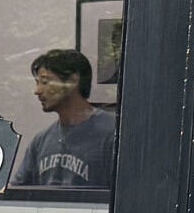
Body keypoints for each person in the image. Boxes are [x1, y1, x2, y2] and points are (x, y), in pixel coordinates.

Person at [12, 47, 117, 190]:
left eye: (45, 82)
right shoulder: (41, 141)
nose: (37, 91)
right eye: (38, 83)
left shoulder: (111, 135)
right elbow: (17, 190)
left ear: (73, 80)